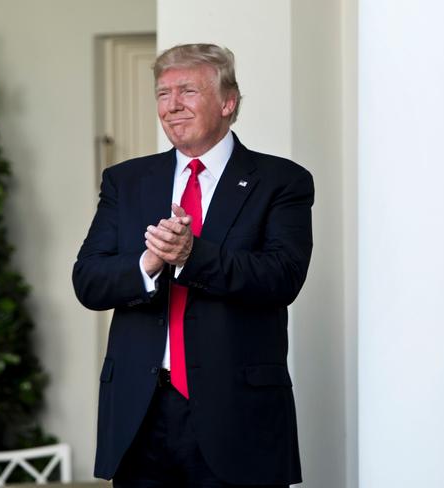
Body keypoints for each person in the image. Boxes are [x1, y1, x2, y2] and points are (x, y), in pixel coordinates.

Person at [73, 43, 314, 488]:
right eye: (163, 94)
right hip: (141, 416)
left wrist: (191, 256)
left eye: (187, 91)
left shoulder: (282, 181)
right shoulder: (125, 181)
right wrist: (148, 262)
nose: (172, 105)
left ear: (228, 102)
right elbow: (88, 281)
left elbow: (282, 277)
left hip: (237, 416)